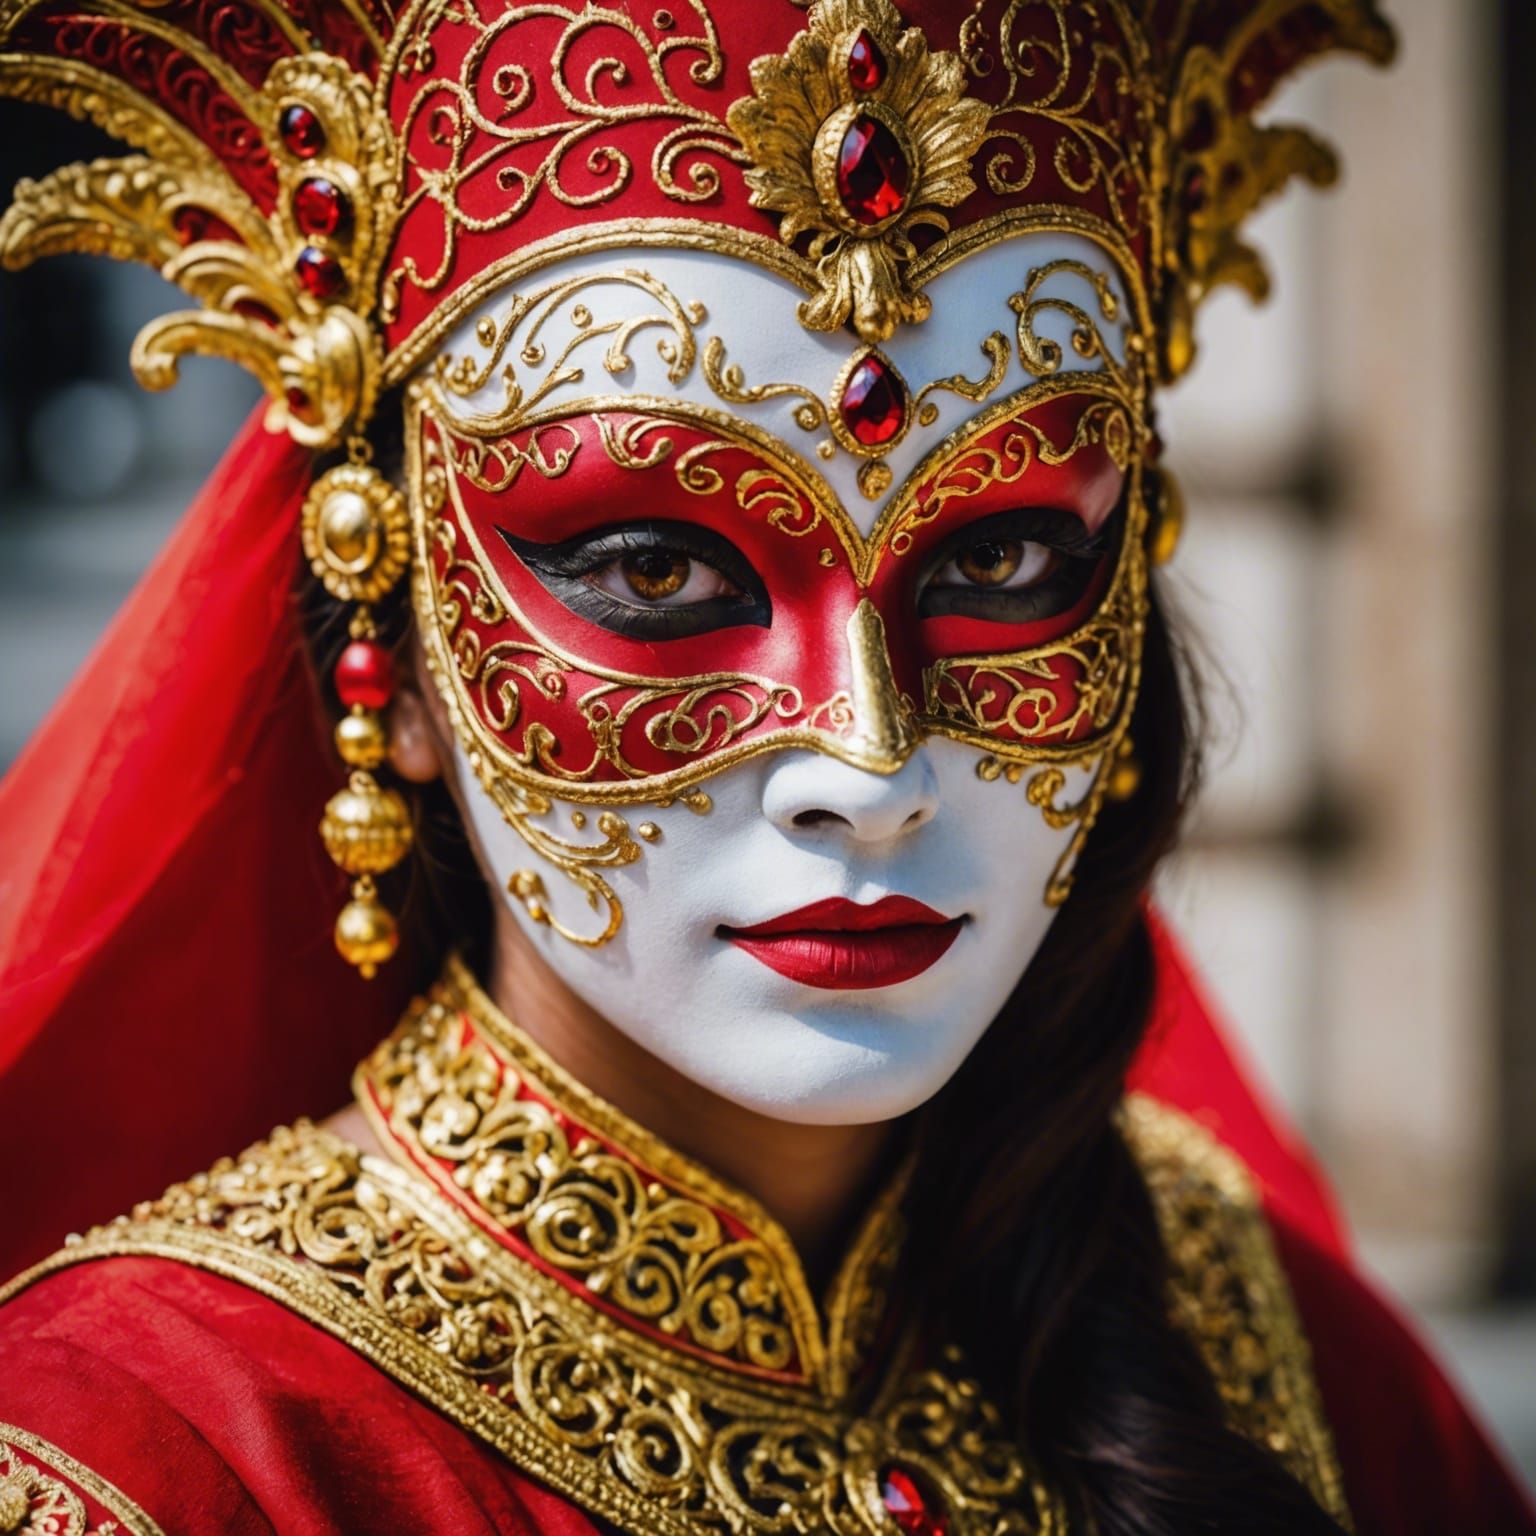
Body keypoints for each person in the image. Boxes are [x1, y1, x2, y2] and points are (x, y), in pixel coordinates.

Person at [0, 1, 1530, 1532]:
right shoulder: (155, 1461)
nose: (869, 768)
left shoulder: (1272, 1347)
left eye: (998, 558)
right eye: (657, 572)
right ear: (393, 650)